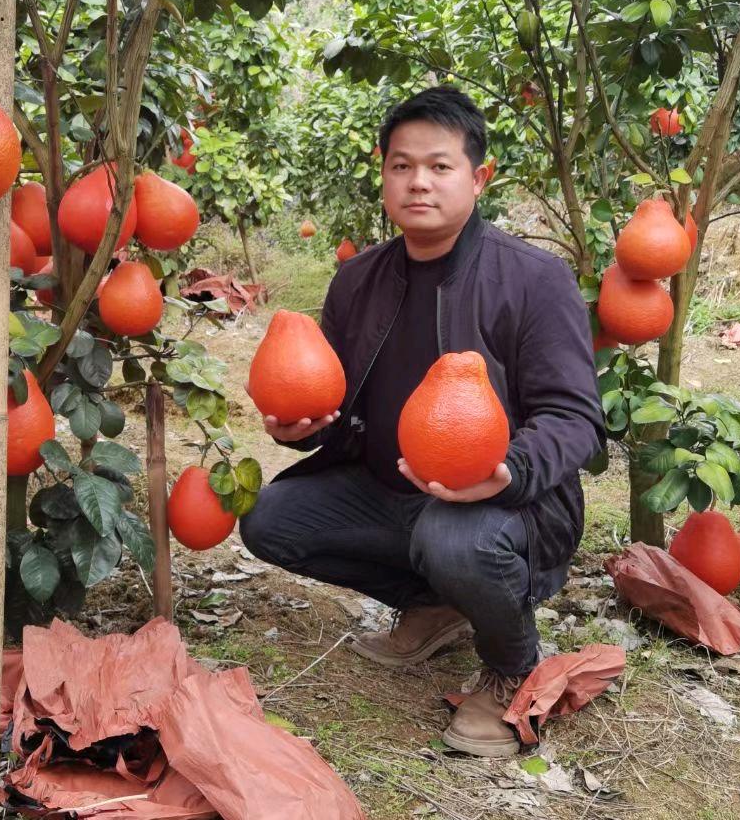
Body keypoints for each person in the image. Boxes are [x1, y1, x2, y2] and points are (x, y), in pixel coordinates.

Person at [239, 86, 605, 758]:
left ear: (478, 177)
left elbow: (576, 418)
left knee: (455, 539)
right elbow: (336, 396)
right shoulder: (358, 281)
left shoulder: (534, 280)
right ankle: (435, 603)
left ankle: (512, 668)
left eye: (439, 166)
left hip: (509, 505)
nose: (418, 183)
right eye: (401, 166)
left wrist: (509, 472)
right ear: (383, 174)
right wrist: (305, 428)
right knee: (268, 520)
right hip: (388, 490)